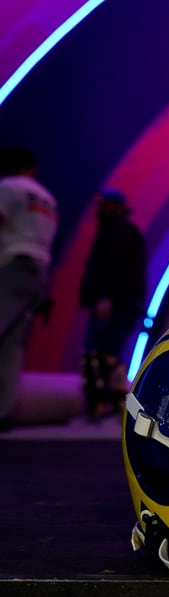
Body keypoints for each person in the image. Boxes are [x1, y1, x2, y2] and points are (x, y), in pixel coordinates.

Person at [0, 145, 57, 432]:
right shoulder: (46, 198)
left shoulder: (8, 188)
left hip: (11, 264)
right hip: (38, 271)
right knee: (13, 344)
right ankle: (4, 411)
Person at [78, 188, 146, 420]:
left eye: (104, 205)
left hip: (118, 303)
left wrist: (108, 297)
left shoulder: (121, 233)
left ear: (116, 207)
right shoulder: (116, 231)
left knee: (102, 356)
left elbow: (118, 269)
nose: (99, 210)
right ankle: (116, 406)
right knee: (107, 356)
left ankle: (105, 406)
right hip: (121, 302)